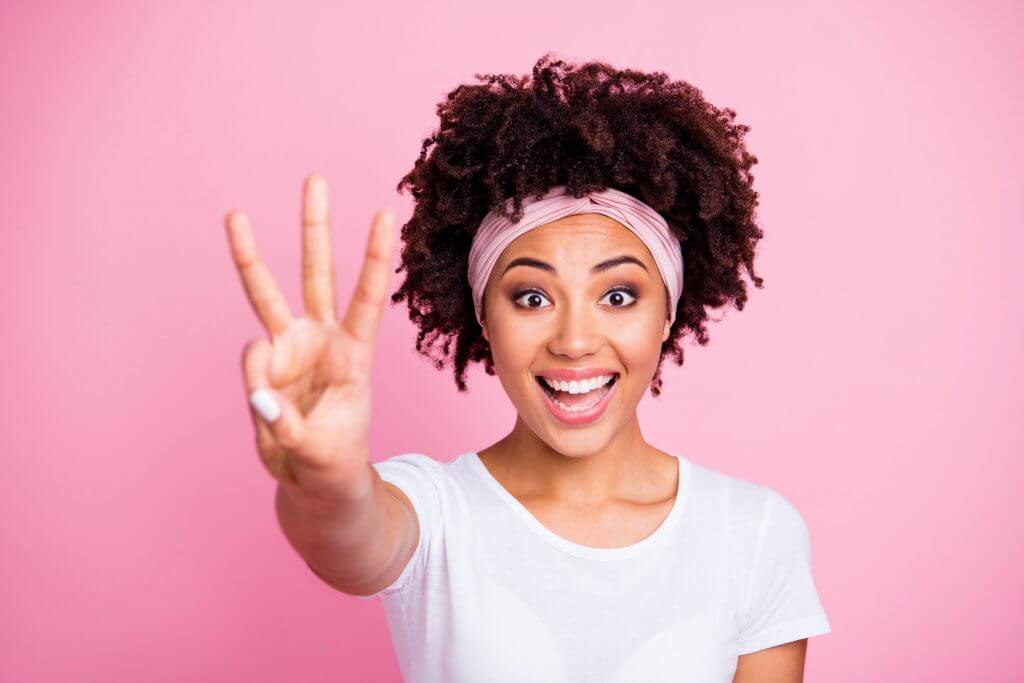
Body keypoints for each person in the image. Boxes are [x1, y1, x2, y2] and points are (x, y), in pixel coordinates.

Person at [225, 54, 831, 683]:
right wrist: (326, 484)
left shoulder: (754, 532)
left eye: (618, 295)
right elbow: (351, 536)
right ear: (484, 317)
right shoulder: (434, 513)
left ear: (667, 314)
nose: (574, 341)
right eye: (532, 298)